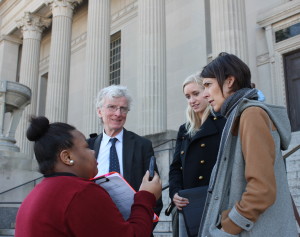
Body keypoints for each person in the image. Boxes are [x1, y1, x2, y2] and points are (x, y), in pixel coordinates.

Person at [198, 52, 298, 237]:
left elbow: (261, 190)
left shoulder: (251, 114)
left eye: (208, 85)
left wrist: (227, 228)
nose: (205, 94)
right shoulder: (239, 115)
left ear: (229, 81)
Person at [15, 116, 162, 237]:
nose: (93, 152)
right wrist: (146, 196)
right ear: (66, 157)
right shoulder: (81, 192)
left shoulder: (35, 194)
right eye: (86, 147)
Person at [87, 85, 163, 229]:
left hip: (134, 225)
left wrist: (143, 227)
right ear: (99, 111)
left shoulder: (142, 145)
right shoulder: (87, 147)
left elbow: (154, 190)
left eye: (123, 108)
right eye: (112, 107)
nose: (118, 113)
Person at [168, 74, 226, 237]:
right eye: (187, 96)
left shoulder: (222, 122)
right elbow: (175, 167)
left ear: (207, 92)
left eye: (196, 93)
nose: (191, 100)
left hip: (214, 203)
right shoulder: (185, 129)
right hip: (188, 202)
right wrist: (175, 193)